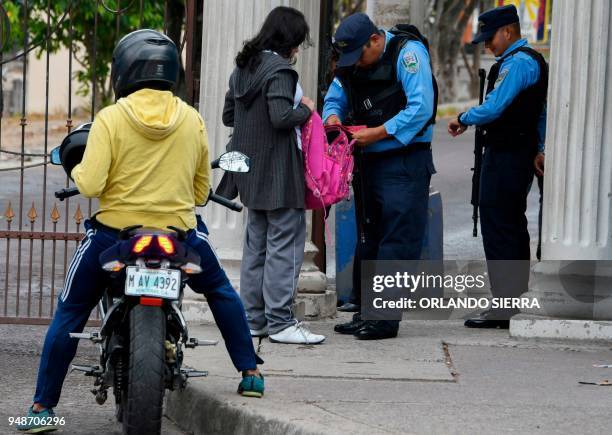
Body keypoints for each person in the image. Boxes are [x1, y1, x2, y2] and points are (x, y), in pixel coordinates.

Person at [18, 29, 263, 433]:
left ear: (123, 70)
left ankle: (43, 408)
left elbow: (93, 184)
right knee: (220, 291)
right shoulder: (192, 118)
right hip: (180, 237)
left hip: (115, 236)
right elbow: (201, 191)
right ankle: (250, 372)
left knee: (70, 309)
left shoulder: (111, 119)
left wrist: (77, 170)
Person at [323, 13, 437, 340]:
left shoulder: (408, 52)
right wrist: (333, 118)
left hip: (404, 158)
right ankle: (366, 312)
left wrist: (381, 132)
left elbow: (421, 107)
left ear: (375, 39)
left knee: (398, 238)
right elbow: (335, 96)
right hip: (367, 160)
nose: (356, 63)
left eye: (360, 55)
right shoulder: (352, 62)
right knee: (369, 238)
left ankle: (385, 319)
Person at [218, 6, 325, 345]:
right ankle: (281, 322)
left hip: (248, 170)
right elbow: (281, 117)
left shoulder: (242, 69)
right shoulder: (280, 71)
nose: (297, 50)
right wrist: (306, 109)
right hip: (279, 171)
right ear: (287, 40)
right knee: (286, 245)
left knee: (256, 247)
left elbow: (228, 115)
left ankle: (254, 320)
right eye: (297, 42)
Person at [448, 5, 547, 328]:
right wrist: (541, 146)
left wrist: (464, 118)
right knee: (511, 224)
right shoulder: (527, 61)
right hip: (517, 153)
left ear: (508, 31)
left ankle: (505, 305)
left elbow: (496, 106)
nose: (487, 45)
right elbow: (542, 111)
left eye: (490, 39)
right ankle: (513, 300)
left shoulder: (517, 63)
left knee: (499, 225)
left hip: (508, 155)